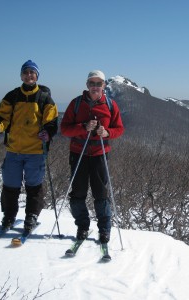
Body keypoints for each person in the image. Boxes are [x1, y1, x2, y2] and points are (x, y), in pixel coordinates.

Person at [0, 60, 59, 232]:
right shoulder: (12, 96)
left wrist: (48, 133)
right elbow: (2, 117)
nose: (29, 75)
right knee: (10, 185)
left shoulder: (44, 98)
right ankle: (9, 216)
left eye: (32, 73)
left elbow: (52, 121)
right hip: (14, 149)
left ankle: (31, 216)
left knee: (33, 186)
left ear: (37, 76)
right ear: (21, 75)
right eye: (26, 72)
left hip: (35, 151)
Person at [60, 70, 124, 243]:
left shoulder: (111, 105)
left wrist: (107, 132)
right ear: (87, 85)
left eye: (99, 83)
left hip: (99, 154)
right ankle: (82, 227)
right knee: (78, 193)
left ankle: (104, 230)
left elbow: (119, 129)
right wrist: (83, 127)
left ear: (104, 85)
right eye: (92, 83)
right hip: (78, 153)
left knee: (101, 194)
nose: (95, 86)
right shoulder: (76, 103)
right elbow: (64, 129)